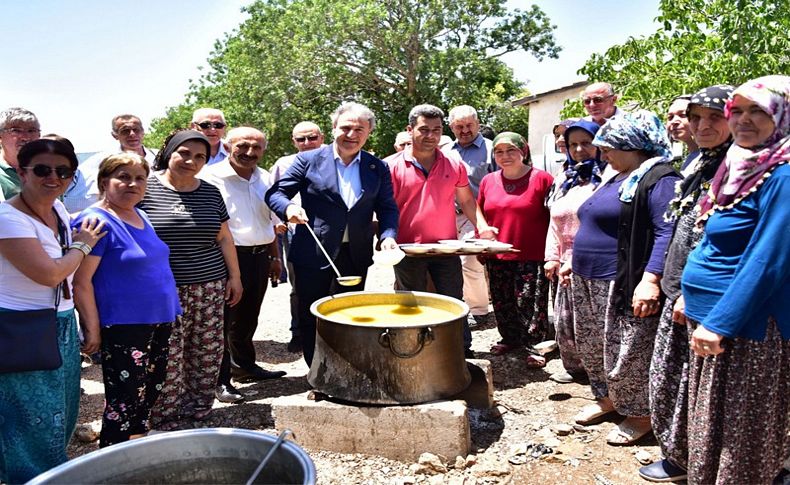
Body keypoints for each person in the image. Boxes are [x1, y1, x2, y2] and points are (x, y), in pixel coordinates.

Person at [680, 75, 790, 485]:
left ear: (782, 115)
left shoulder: (782, 176)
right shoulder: (742, 164)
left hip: (747, 327)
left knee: (740, 438)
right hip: (715, 319)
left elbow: (769, 260)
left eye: (758, 110)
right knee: (714, 426)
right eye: (738, 110)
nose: (743, 120)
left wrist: (719, 322)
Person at [638, 85, 735, 482]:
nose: (701, 125)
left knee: (692, 388)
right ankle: (681, 455)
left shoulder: (738, 168)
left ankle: (690, 461)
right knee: (670, 379)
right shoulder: (699, 162)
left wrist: (688, 294)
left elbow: (719, 240)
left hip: (701, 299)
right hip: (679, 290)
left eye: (714, 117)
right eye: (696, 117)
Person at [570, 110, 680, 446]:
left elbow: (666, 230)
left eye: (609, 147)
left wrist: (650, 279)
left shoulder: (660, 179)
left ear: (633, 146)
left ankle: (639, 414)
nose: (603, 154)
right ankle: (607, 401)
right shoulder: (619, 176)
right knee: (593, 346)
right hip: (586, 274)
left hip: (619, 279)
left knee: (627, 349)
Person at [0, 139, 105, 483]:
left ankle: (50, 475)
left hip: (59, 322)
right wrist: (82, 245)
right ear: (21, 172)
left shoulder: (58, 210)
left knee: (62, 411)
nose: (53, 177)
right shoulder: (7, 218)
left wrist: (88, 322)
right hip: (22, 328)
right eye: (42, 170)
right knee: (31, 419)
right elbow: (49, 273)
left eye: (64, 171)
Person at [266, 101, 399, 367]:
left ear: (368, 132)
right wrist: (290, 206)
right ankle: (317, 373)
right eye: (346, 127)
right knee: (311, 314)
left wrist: (387, 235)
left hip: (356, 254)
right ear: (334, 128)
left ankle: (346, 370)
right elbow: (275, 194)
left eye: (359, 129)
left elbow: (387, 207)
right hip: (314, 252)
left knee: (350, 313)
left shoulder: (376, 167)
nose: (352, 134)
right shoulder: (307, 160)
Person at [71, 153, 181, 447]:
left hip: (160, 317)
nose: (132, 184)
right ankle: (113, 457)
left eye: (139, 178)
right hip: (123, 324)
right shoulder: (95, 220)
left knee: (152, 388)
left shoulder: (139, 213)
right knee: (124, 398)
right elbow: (81, 282)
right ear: (105, 181)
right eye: (123, 176)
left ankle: (136, 444)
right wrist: (91, 329)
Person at [139, 130, 243, 430]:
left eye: (200, 156)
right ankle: (163, 415)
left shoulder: (210, 191)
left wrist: (234, 276)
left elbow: (224, 237)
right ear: (169, 152)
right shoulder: (145, 188)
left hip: (209, 287)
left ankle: (198, 412)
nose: (191, 161)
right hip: (162, 290)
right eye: (184, 153)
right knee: (167, 357)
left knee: (207, 352)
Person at [388, 104, 496, 358]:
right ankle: (413, 354)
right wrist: (386, 238)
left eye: (436, 130)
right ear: (410, 130)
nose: (431, 136)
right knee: (412, 303)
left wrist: (482, 227)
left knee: (453, 300)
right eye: (424, 130)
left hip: (446, 246)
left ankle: (460, 354)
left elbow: (467, 200)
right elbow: (384, 208)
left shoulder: (453, 162)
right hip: (407, 249)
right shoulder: (391, 166)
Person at [200, 127, 285, 404]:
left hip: (260, 255)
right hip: (226, 257)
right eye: (243, 146)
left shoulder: (265, 177)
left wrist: (274, 257)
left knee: (249, 316)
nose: (249, 152)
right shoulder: (210, 177)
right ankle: (220, 381)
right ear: (227, 146)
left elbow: (270, 220)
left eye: (256, 147)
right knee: (224, 320)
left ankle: (245, 366)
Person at [477, 132, 553, 367]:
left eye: (511, 150)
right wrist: (483, 240)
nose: (505, 156)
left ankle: (535, 346)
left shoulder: (543, 179)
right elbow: (479, 210)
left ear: (524, 151)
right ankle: (509, 338)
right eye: (499, 151)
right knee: (501, 300)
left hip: (530, 252)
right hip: (497, 253)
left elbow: (554, 216)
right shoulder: (488, 180)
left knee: (529, 302)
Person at [544, 119, 608, 383]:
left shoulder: (608, 177)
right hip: (565, 257)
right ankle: (577, 368)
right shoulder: (565, 179)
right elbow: (554, 221)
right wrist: (552, 256)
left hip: (595, 258)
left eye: (586, 143)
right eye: (573, 145)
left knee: (594, 321)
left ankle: (602, 375)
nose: (580, 149)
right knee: (566, 318)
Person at [270, 121, 326, 354]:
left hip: (327, 230)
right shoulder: (284, 163)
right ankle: (299, 333)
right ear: (293, 141)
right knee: (299, 286)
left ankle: (329, 332)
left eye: (311, 138)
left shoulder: (333, 160)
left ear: (321, 138)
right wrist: (279, 220)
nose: (306, 143)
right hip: (295, 232)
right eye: (301, 139)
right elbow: (274, 195)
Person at [443, 105, 496, 327]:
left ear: (478, 123)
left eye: (469, 125)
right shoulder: (446, 152)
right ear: (451, 127)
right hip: (447, 215)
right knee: (448, 262)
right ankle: (454, 304)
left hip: (476, 214)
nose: (465, 130)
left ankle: (479, 311)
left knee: (470, 260)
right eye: (459, 126)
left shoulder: (492, 148)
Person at [63, 114, 158, 213]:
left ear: (143, 132)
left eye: (136, 129)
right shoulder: (101, 162)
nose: (132, 134)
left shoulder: (159, 158)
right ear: (115, 135)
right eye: (125, 131)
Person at [0, 107, 41, 199]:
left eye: (31, 131)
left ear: (39, 136)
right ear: (0, 137)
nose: (25, 137)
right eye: (16, 131)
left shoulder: (49, 171)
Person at [665, 95, 700, 171]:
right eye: (670, 117)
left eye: (682, 115)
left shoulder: (712, 159)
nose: (674, 121)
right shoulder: (690, 159)